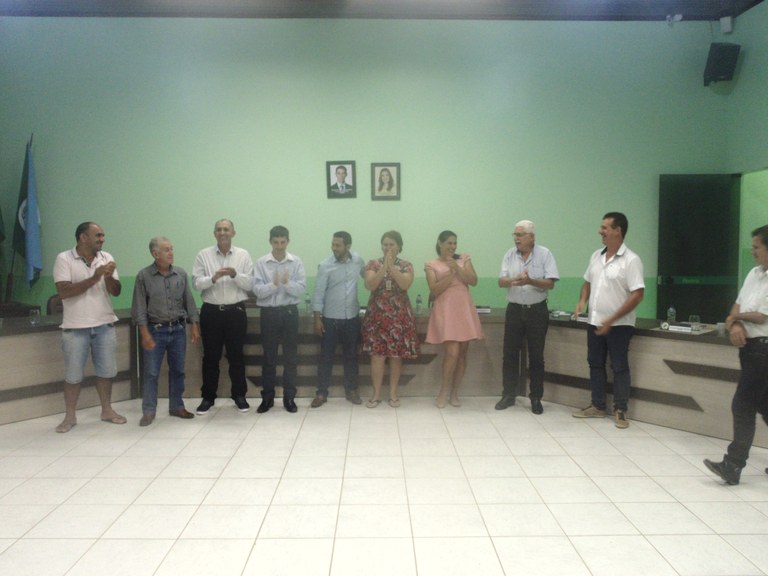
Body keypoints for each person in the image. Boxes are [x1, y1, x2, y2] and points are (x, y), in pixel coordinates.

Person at [703, 225, 768, 485]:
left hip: (764, 349)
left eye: (757, 247)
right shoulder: (754, 274)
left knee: (743, 404)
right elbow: (739, 305)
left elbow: (762, 316)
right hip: (750, 349)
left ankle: (733, 464)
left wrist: (734, 318)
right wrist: (736, 322)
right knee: (764, 405)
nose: (752, 251)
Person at [52, 221, 127, 433]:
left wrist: (108, 276)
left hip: (104, 325)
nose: (102, 239)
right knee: (73, 376)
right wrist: (95, 277)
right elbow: (64, 292)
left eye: (102, 235)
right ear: (83, 237)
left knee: (106, 372)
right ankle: (70, 416)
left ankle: (107, 410)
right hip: (75, 328)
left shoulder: (106, 257)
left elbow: (116, 291)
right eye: (98, 235)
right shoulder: (64, 258)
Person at [572, 212, 644, 429]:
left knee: (619, 366)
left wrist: (611, 319)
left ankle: (620, 410)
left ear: (617, 230)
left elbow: (637, 295)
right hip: (594, 321)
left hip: (619, 326)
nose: (600, 231)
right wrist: (582, 301)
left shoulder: (631, 260)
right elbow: (587, 282)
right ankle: (598, 405)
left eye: (604, 227)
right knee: (595, 363)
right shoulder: (596, 256)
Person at [131, 236, 200, 426]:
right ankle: (149, 411)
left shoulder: (180, 274)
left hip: (178, 329)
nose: (171, 253)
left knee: (178, 370)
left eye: (172, 249)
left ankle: (176, 406)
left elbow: (189, 301)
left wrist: (194, 324)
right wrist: (144, 333)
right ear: (155, 254)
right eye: (167, 250)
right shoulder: (144, 276)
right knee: (151, 373)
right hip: (155, 330)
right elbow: (139, 308)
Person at [496, 220, 559, 414]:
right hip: (514, 310)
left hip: (537, 311)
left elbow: (550, 283)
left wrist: (530, 280)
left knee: (536, 356)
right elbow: (501, 281)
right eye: (515, 235)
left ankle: (536, 397)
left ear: (531, 237)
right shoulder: (509, 254)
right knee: (510, 354)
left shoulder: (545, 254)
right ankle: (508, 395)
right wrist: (514, 280)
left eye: (520, 235)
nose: (516, 238)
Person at [192, 218, 254, 414]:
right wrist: (213, 278)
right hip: (211, 312)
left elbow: (250, 284)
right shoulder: (203, 255)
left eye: (226, 229)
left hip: (235, 312)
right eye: (219, 229)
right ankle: (208, 397)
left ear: (233, 233)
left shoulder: (243, 255)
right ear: (214, 234)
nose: (222, 232)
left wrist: (235, 275)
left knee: (236, 356)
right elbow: (196, 284)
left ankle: (239, 396)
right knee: (211, 357)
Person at [425, 230, 484, 408]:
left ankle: (455, 392)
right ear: (440, 243)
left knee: (462, 354)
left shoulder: (464, 259)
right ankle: (443, 391)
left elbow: (473, 280)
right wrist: (451, 273)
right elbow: (435, 289)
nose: (452, 246)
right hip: (446, 309)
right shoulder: (431, 264)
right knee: (452, 353)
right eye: (449, 243)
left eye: (454, 243)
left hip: (463, 308)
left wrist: (457, 267)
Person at [361, 231, 419, 408]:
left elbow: (405, 284)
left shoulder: (406, 265)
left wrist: (392, 267)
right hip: (377, 317)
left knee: (395, 356)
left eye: (392, 244)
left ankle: (393, 394)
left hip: (398, 317)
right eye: (385, 244)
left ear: (399, 247)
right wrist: (384, 268)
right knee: (377, 356)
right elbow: (369, 285)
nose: (388, 248)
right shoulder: (373, 264)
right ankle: (376, 394)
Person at [252, 225, 306, 414]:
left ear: (288, 241)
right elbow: (257, 291)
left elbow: (301, 289)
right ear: (270, 242)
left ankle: (289, 398)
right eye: (276, 242)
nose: (279, 246)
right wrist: (274, 285)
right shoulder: (261, 263)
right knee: (269, 358)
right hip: (269, 314)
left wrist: (287, 283)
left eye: (283, 242)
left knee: (291, 358)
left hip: (290, 312)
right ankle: (267, 399)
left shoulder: (296, 262)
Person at [311, 231, 365, 407]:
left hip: (352, 319)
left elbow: (368, 278)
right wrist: (317, 318)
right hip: (330, 320)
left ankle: (352, 391)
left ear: (348, 246)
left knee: (351, 357)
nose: (334, 248)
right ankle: (321, 393)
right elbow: (318, 292)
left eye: (338, 245)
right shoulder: (325, 265)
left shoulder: (358, 260)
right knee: (326, 358)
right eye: (333, 244)